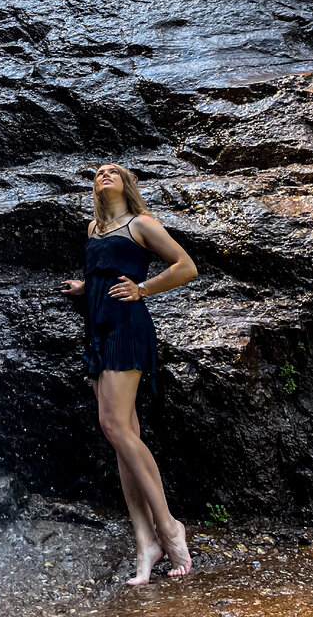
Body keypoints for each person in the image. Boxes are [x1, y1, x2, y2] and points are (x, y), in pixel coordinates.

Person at [62, 163, 198, 586]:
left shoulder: (142, 223)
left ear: (126, 184)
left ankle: (169, 527)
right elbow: (102, 273)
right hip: (99, 329)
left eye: (113, 171)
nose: (104, 174)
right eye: (98, 172)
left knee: (114, 425)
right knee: (123, 436)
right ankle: (145, 542)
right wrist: (85, 287)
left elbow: (186, 266)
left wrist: (144, 288)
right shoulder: (93, 229)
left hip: (127, 326)